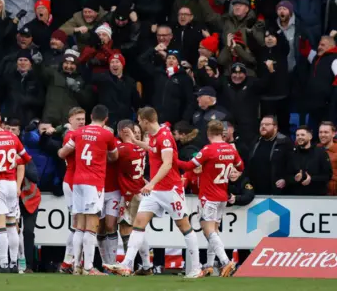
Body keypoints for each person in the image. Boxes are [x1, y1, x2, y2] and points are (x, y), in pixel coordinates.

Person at [103, 106, 203, 278]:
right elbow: (153, 150)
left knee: (184, 226)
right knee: (138, 224)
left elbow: (167, 163)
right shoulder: (156, 136)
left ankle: (196, 268)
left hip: (170, 189)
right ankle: (127, 265)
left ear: (146, 121)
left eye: (140, 121)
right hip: (156, 191)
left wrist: (151, 183)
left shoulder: (164, 136)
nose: (139, 124)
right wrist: (135, 141)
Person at [176, 120, 243, 277]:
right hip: (222, 195)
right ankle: (209, 264)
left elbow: (187, 167)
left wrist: (172, 158)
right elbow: (240, 167)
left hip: (209, 196)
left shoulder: (208, 149)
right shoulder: (231, 149)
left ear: (208, 133)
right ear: (223, 133)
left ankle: (226, 262)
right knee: (214, 230)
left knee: (208, 231)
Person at [58, 104, 118, 276]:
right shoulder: (107, 134)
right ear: (106, 119)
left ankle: (77, 266)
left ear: (91, 116)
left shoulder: (77, 133)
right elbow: (114, 156)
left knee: (79, 226)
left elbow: (62, 153)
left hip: (76, 181)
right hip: (94, 182)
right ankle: (88, 267)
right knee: (91, 226)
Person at [0, 107, 32, 273]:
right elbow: (26, 158)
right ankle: (14, 263)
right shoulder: (11, 136)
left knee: (0, 227)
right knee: (12, 225)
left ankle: (3, 264)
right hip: (12, 183)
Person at [114, 121, 147, 269]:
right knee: (138, 229)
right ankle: (145, 265)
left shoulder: (123, 148)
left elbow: (109, 156)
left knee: (127, 228)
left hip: (130, 194)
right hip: (138, 190)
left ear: (123, 131)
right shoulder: (140, 148)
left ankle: (129, 266)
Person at [58, 107, 86, 274]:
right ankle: (70, 262)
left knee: (78, 224)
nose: (81, 122)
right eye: (78, 119)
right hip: (72, 182)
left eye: (83, 119)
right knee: (77, 224)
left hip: (80, 183)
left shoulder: (78, 134)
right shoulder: (70, 136)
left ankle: (70, 261)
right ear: (70, 121)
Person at [285, 126, 333, 196]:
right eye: (297, 135)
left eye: (302, 135)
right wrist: (294, 178)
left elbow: (328, 175)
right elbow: (286, 175)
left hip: (317, 196)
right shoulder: (291, 153)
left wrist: (312, 179)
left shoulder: (320, 152)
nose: (299, 137)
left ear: (310, 137)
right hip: (296, 196)